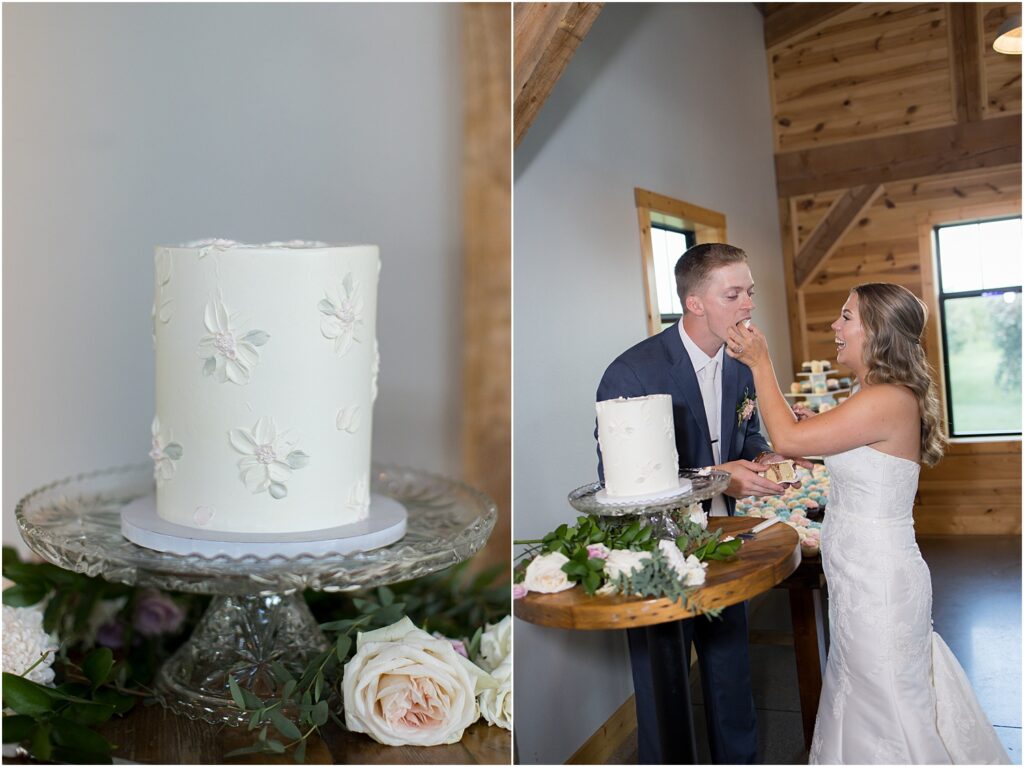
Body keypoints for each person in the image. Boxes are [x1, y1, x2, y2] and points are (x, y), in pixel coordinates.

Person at [726, 282, 1010, 764]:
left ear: (876, 331)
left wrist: (760, 362)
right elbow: (861, 459)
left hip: (879, 583)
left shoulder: (888, 398)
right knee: (862, 693)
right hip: (858, 576)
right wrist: (819, 439)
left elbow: (791, 438)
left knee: (887, 708)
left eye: (846, 317)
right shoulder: (871, 392)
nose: (835, 327)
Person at [596, 242, 810, 764]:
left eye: (749, 293)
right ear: (695, 303)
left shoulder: (741, 367)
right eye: (733, 294)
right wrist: (718, 479)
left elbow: (746, 438)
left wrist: (768, 458)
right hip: (655, 551)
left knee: (730, 667)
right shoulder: (632, 372)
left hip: (725, 541)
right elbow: (620, 482)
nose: (748, 306)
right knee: (661, 682)